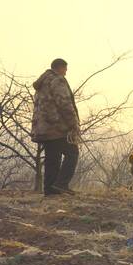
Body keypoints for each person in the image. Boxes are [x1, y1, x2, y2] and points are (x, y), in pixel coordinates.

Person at [31, 58, 80, 196]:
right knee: (72, 153)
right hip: (57, 127)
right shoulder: (57, 80)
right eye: (65, 69)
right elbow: (64, 103)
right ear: (60, 68)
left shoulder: (42, 83)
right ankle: (62, 184)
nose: (66, 72)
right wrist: (73, 124)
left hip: (43, 128)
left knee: (52, 158)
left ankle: (50, 191)